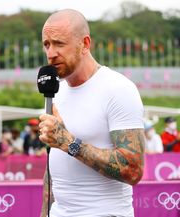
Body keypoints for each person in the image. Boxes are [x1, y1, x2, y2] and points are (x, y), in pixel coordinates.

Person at [38, 9, 145, 217]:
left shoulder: (118, 89)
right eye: (46, 44)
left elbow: (133, 170)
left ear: (85, 44)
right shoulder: (55, 92)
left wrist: (68, 142)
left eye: (59, 43)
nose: (51, 53)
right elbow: (53, 168)